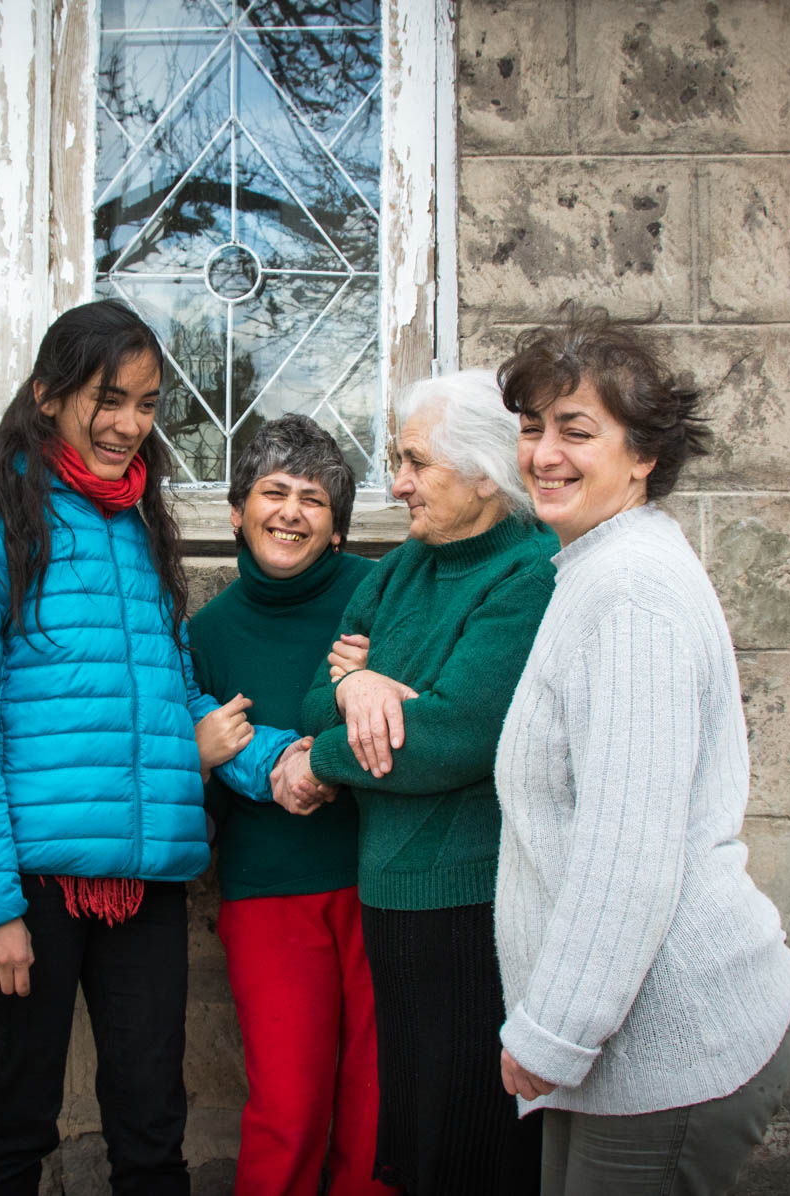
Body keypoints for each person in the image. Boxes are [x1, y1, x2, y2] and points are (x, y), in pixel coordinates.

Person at [0, 298, 280, 1196]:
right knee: (17, 1127)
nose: (127, 426)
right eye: (107, 399)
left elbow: (170, 697)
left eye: (147, 404)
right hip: (30, 886)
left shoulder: (136, 524)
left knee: (153, 1129)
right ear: (47, 393)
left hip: (142, 878)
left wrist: (274, 761)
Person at [491, 307, 790, 1196]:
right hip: (619, 1049)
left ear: (644, 454)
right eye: (532, 428)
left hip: (675, 1038)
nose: (544, 453)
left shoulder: (628, 594)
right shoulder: (596, 565)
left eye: (576, 431)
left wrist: (553, 1030)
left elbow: (628, 851)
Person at [279, 370, 556, 1196]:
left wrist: (317, 757)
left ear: (482, 471)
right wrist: (360, 690)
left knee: (475, 1143)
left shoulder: (528, 574)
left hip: (473, 903)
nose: (395, 482)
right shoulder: (399, 570)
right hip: (393, 897)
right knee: (419, 1138)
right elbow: (310, 698)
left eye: (414, 462)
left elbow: (453, 737)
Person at [185, 414, 395, 1196]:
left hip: (383, 881)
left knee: (380, 1108)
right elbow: (191, 755)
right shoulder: (204, 633)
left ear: (336, 528)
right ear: (237, 511)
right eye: (273, 492)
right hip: (269, 890)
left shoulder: (382, 594)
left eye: (313, 499)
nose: (291, 512)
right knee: (290, 1107)